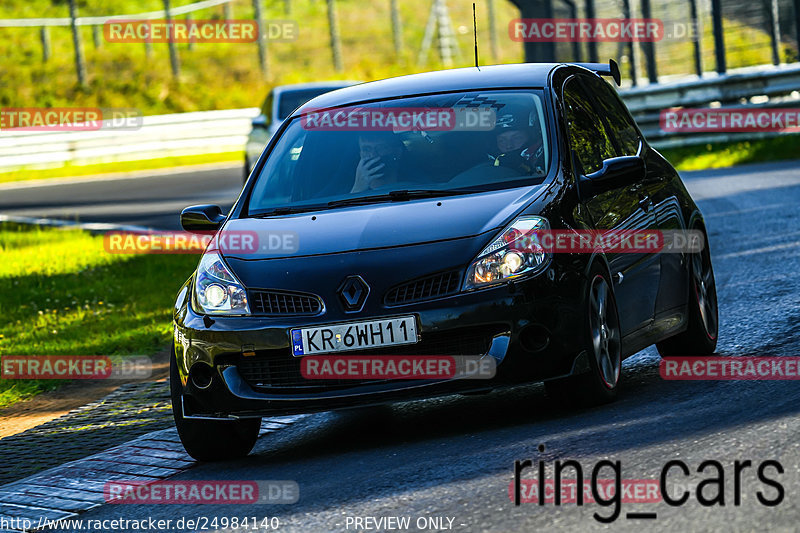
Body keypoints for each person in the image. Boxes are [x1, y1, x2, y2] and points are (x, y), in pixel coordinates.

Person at [489, 105, 545, 176]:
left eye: (517, 138)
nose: (509, 145)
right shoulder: (487, 169)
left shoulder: (548, 164)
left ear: (531, 138)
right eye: (502, 141)